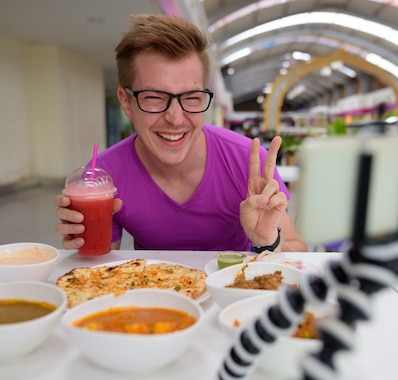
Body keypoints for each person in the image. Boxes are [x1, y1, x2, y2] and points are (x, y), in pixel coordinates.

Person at [55, 14, 307, 253]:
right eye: (153, 98)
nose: (175, 119)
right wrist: (85, 247)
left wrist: (269, 241)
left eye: (192, 97)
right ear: (126, 102)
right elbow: (99, 276)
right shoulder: (104, 176)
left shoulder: (247, 161)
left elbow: (298, 251)